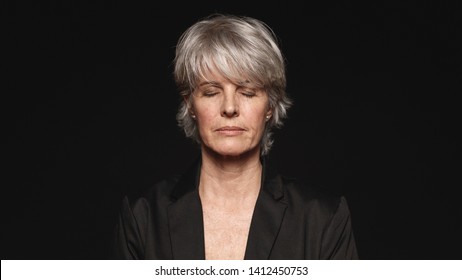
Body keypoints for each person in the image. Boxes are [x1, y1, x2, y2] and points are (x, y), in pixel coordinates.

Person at [113, 13, 358, 260]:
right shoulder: (143, 217)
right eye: (211, 92)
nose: (229, 108)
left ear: (270, 106)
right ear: (190, 105)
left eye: (248, 92)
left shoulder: (323, 219)